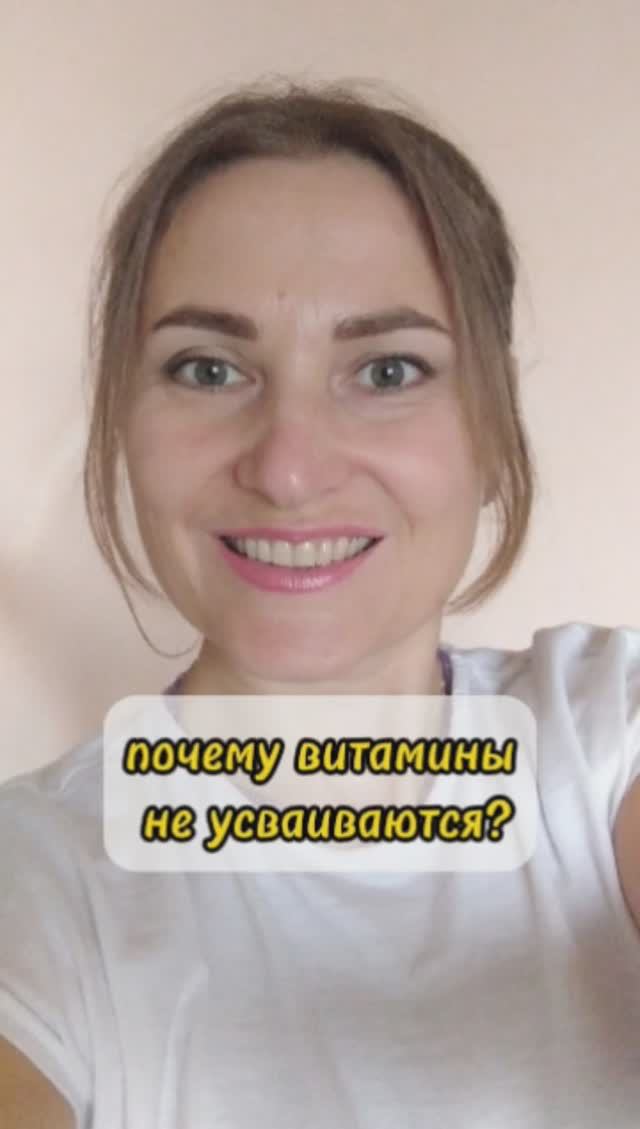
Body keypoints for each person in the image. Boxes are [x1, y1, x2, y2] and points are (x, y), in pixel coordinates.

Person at [1, 77, 639, 1128]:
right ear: (123, 422)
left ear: (492, 434)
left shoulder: (604, 731)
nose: (289, 469)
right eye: (208, 369)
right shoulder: (31, 877)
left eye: (387, 370)